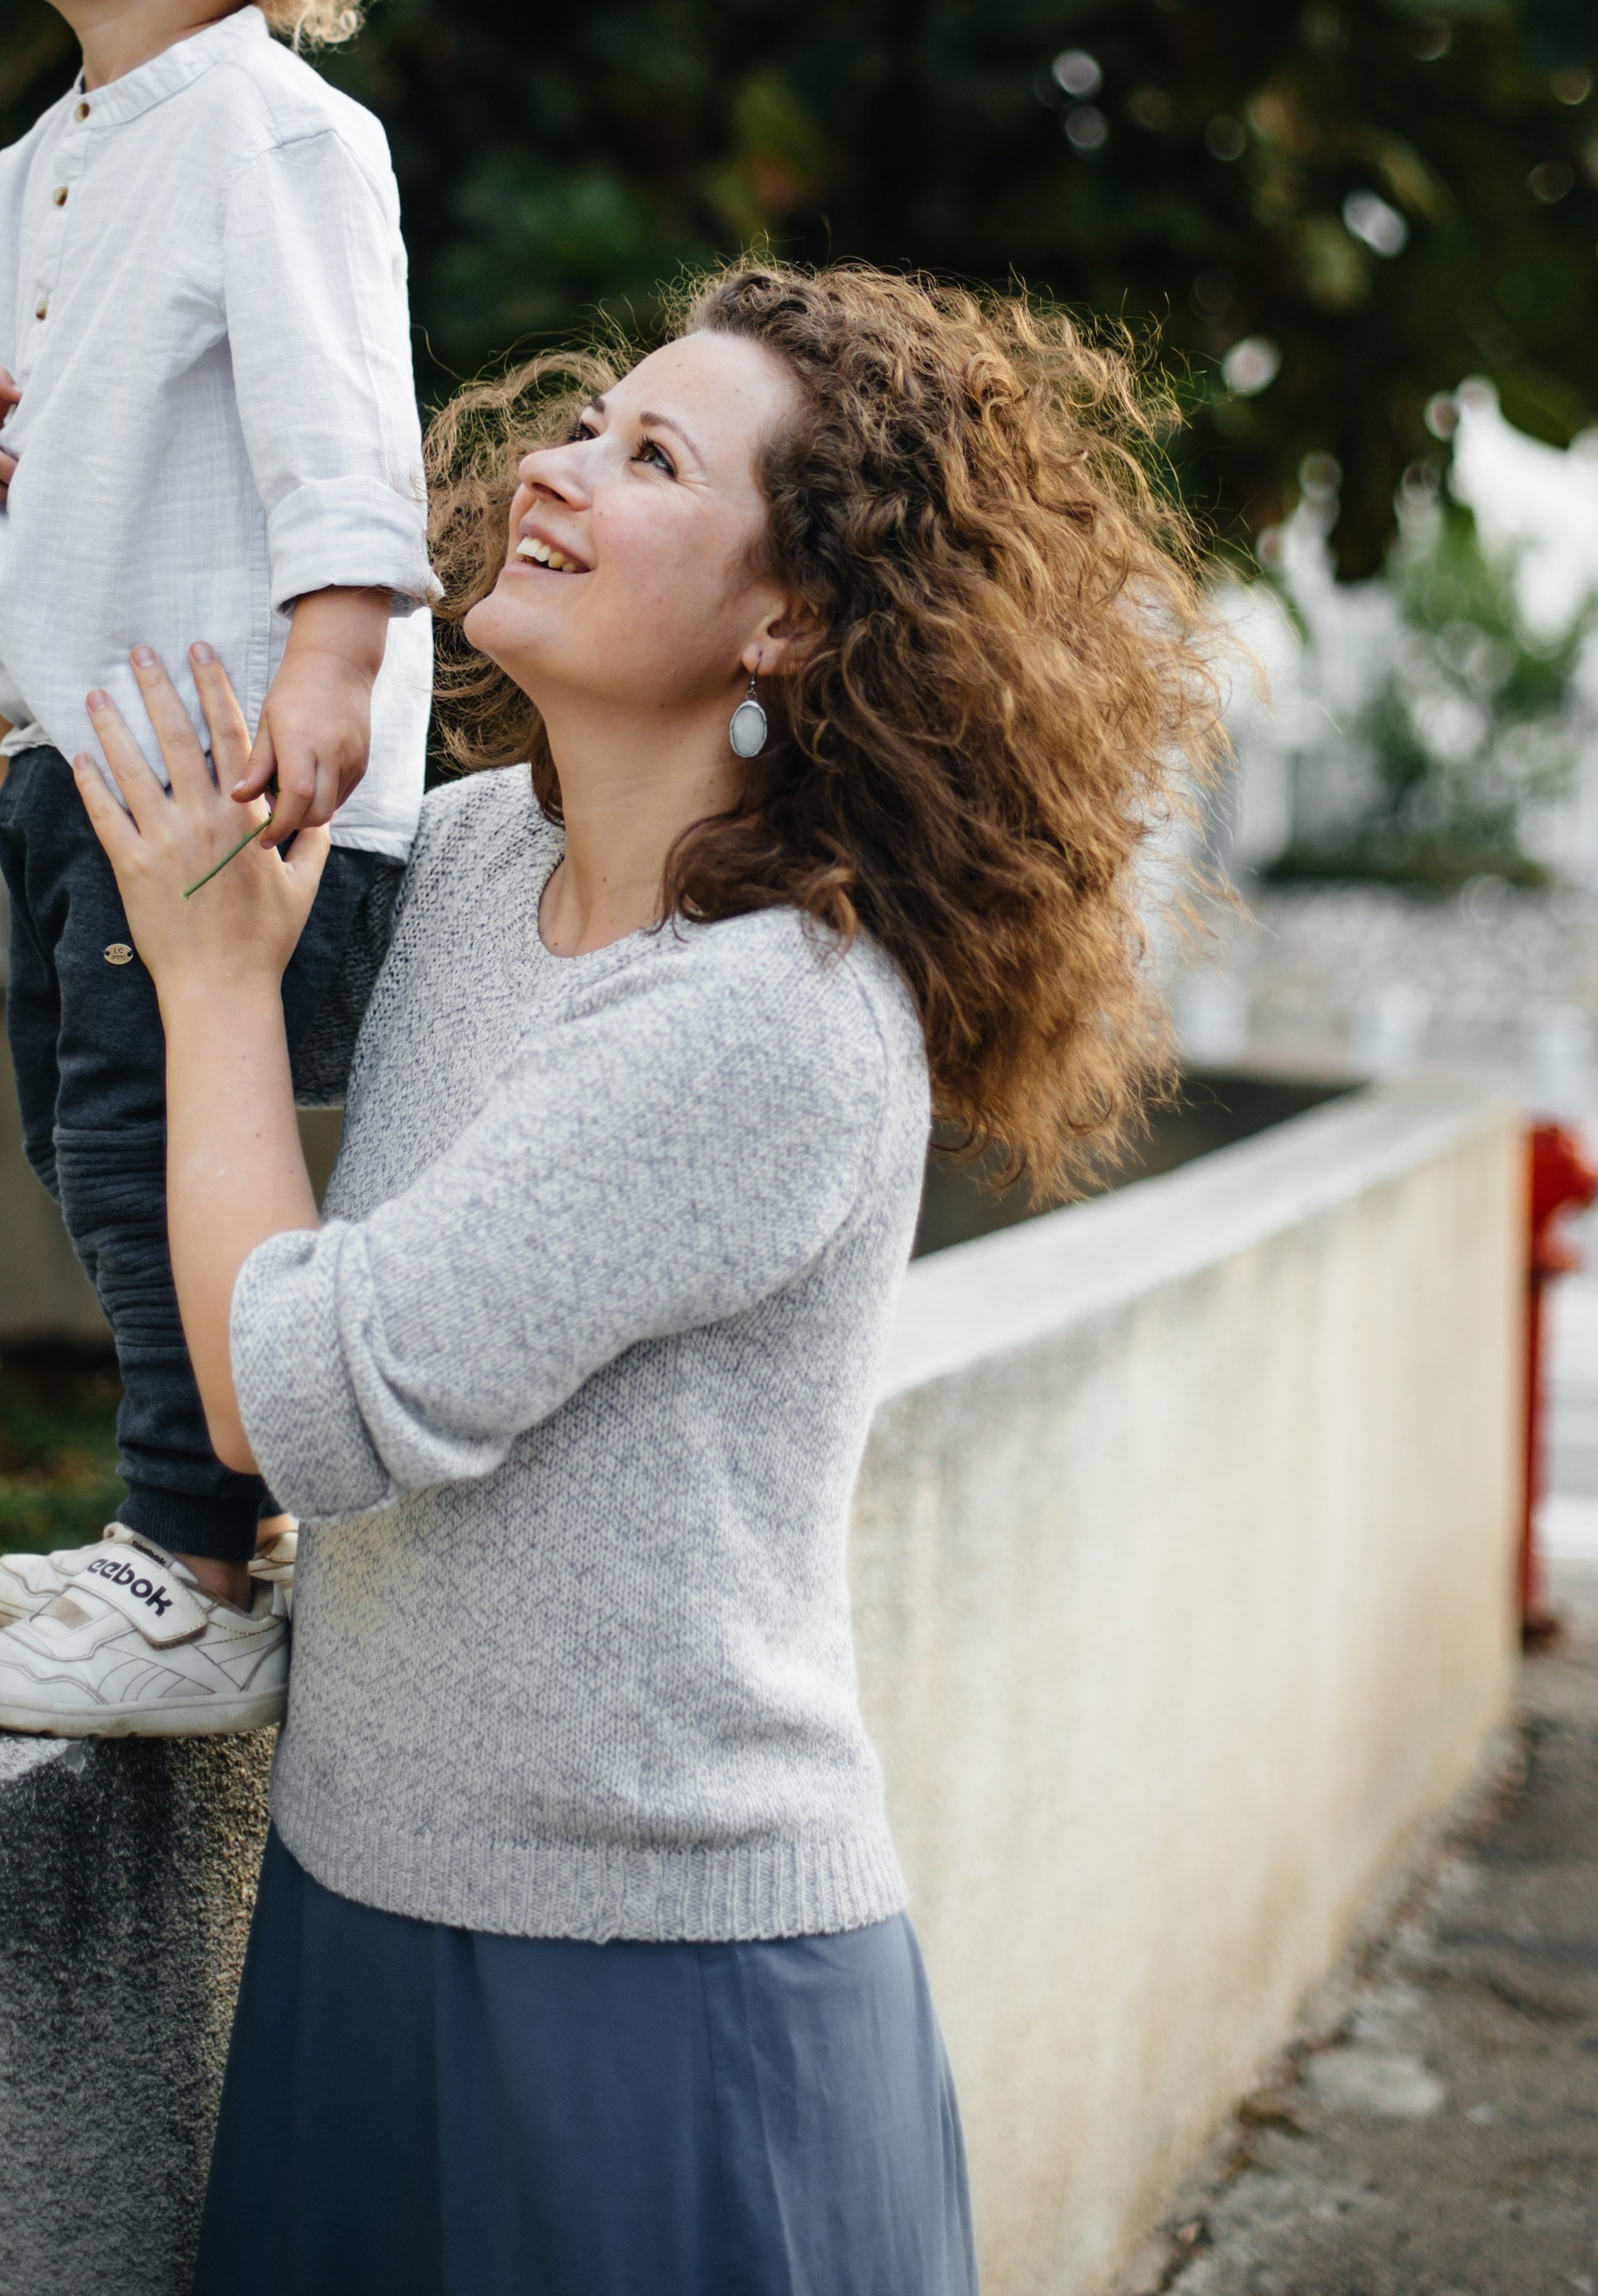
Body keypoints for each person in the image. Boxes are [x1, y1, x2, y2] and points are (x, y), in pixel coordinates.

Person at [60, 259, 1221, 2295]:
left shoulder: (765, 1019)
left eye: (650, 456)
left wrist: (220, 984)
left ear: (789, 616)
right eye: (584, 420)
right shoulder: (490, 856)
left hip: (652, 2010)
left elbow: (292, 1411)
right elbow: (120, 814)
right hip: (361, 1914)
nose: (553, 467)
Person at [0, 0, 484, 1736]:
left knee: (142, 1143)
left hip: (222, 773)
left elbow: (343, 435)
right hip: (84, 770)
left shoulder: (271, 133)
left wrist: (329, 676)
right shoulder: (47, 164)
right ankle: (194, 1515)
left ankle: (191, 1571)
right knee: (77, 1138)